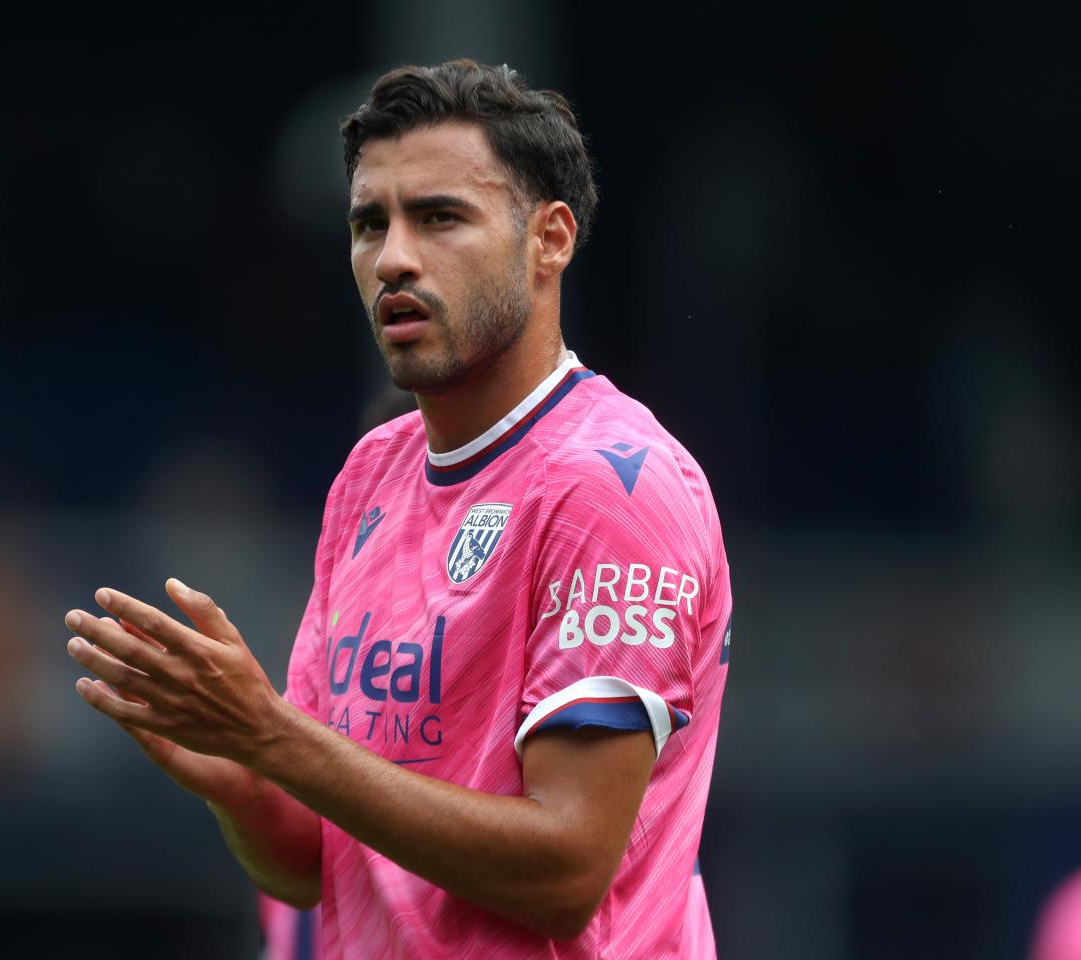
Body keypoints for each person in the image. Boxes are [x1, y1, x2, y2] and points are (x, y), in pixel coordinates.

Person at [65, 60, 732, 958]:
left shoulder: (614, 489)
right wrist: (242, 776)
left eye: (440, 217)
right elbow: (313, 865)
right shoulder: (371, 476)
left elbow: (567, 874)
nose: (393, 258)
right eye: (369, 223)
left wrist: (276, 737)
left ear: (551, 239)